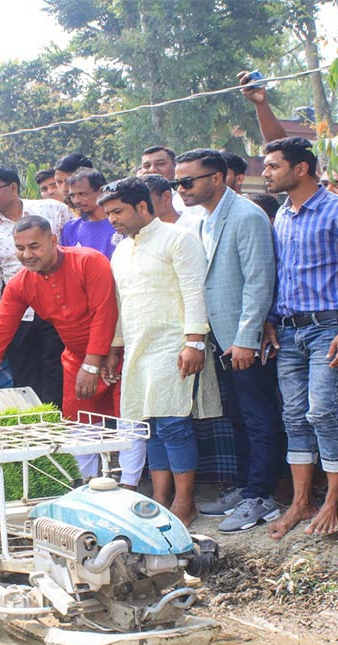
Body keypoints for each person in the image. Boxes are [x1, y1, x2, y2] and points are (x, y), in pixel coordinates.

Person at [260, 137, 338, 538]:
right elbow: (282, 275)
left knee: (324, 412)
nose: (266, 173)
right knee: (294, 416)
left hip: (329, 328)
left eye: (273, 166)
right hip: (288, 331)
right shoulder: (282, 215)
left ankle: (335, 498)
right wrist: (272, 319)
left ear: (301, 169)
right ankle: (301, 502)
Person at [0, 217, 144, 486]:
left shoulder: (89, 261)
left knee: (129, 421)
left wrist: (92, 364)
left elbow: (104, 313)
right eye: (20, 248)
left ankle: (129, 485)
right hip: (75, 359)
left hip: (116, 353)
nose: (27, 255)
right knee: (80, 425)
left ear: (53, 240)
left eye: (34, 246)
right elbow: (1, 329)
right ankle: (86, 486)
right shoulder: (20, 283)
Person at [172, 149, 284, 533]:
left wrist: (246, 338)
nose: (181, 189)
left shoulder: (246, 216)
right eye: (177, 182)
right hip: (220, 337)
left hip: (243, 339)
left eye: (188, 181)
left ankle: (261, 496)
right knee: (237, 416)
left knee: (258, 416)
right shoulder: (201, 219)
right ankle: (245, 486)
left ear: (216, 178)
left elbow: (259, 281)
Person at [102, 178, 217, 525]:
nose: (112, 219)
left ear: (142, 206)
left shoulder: (178, 238)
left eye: (118, 211)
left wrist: (194, 342)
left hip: (173, 345)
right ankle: (160, 498)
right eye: (108, 213)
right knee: (150, 424)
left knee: (173, 424)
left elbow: (194, 292)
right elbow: (120, 303)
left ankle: (185, 501)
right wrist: (115, 347)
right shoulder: (121, 250)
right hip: (138, 346)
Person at [0, 165, 72, 408]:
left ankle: (60, 425)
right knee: (25, 377)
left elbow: (70, 252)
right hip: (19, 312)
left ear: (13, 187)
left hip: (59, 305)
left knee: (58, 373)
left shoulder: (53, 209)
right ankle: (33, 426)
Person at [61, 168, 118, 258]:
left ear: (101, 191)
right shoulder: (71, 228)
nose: (76, 200)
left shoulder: (120, 224)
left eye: (82, 194)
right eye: (72, 195)